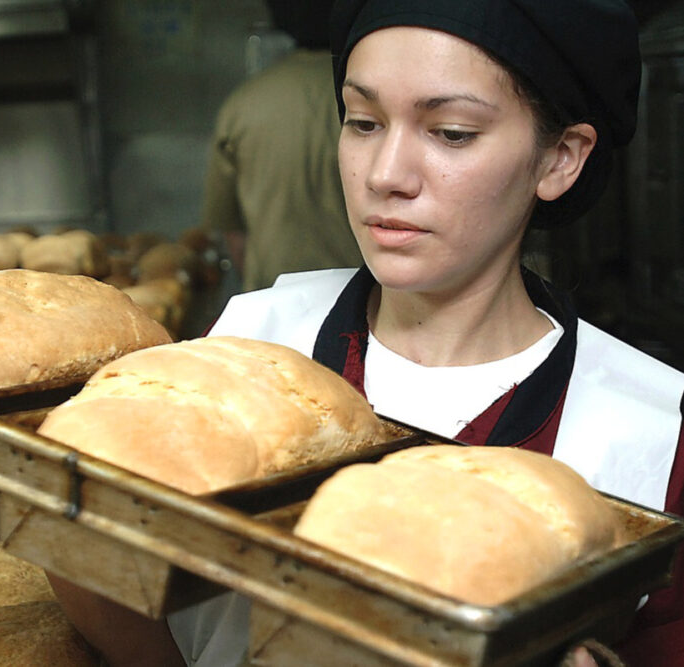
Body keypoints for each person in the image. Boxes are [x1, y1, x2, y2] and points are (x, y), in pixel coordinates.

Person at [50, 1, 684, 665]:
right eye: (362, 121)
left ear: (559, 158)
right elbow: (111, 579)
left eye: (451, 132)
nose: (384, 174)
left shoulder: (643, 434)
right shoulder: (246, 342)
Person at [200, 0, 364, 292]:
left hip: (272, 299)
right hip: (362, 303)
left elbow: (231, 229)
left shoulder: (244, 104)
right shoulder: (371, 102)